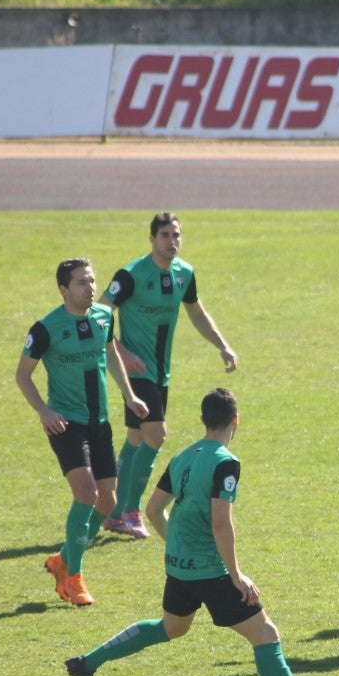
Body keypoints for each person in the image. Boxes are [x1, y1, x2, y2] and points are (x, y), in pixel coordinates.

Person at [64, 388, 339, 676]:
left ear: (202, 420)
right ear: (235, 420)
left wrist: (176, 545)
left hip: (178, 566)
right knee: (266, 634)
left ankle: (86, 663)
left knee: (171, 627)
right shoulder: (226, 461)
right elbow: (221, 524)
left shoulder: (183, 455)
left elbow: (152, 510)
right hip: (211, 571)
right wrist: (236, 575)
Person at [16, 257, 149, 606]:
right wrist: (44, 412)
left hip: (99, 422)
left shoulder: (104, 317)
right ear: (63, 290)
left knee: (108, 501)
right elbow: (22, 375)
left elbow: (110, 355)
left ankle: (63, 560)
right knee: (87, 495)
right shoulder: (46, 328)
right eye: (81, 283)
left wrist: (130, 395)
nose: (90, 287)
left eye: (91, 281)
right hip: (66, 424)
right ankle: (72, 579)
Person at [98, 212, 238, 540]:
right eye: (165, 235)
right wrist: (120, 350)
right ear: (152, 239)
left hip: (161, 374)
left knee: (136, 438)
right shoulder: (132, 274)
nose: (171, 241)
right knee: (157, 435)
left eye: (176, 235)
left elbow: (197, 313)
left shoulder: (184, 274)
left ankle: (113, 510)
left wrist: (223, 346)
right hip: (136, 373)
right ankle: (131, 510)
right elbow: (100, 314)